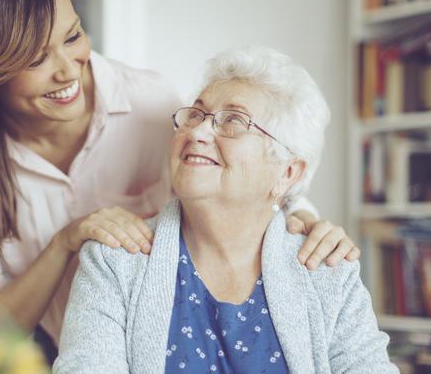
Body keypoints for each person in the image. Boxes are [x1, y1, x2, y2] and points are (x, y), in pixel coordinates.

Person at [0, 0, 360, 350]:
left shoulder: (150, 106)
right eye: (34, 59)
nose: (67, 71)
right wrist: (65, 243)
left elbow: (249, 178)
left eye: (72, 37)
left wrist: (305, 223)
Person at [54, 47, 397, 373]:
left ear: (287, 172)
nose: (198, 131)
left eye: (233, 121)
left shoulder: (328, 270)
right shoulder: (113, 262)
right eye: (196, 114)